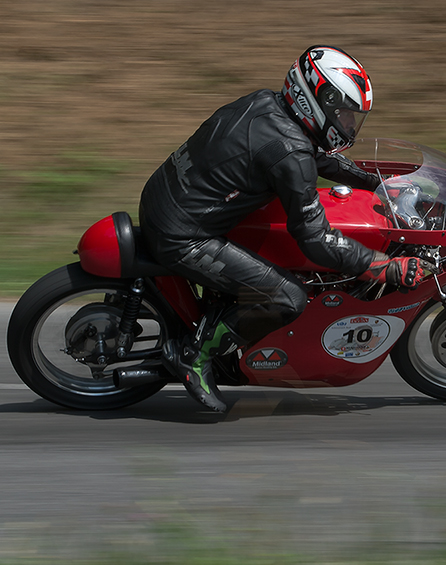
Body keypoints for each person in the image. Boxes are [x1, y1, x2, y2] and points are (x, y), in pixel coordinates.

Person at [138, 46, 422, 413]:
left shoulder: (266, 104)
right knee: (287, 297)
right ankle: (193, 356)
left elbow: (315, 156)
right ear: (315, 101)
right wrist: (383, 266)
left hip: (166, 195)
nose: (349, 126)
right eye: (345, 115)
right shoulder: (289, 152)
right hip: (182, 234)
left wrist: (375, 182)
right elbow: (316, 239)